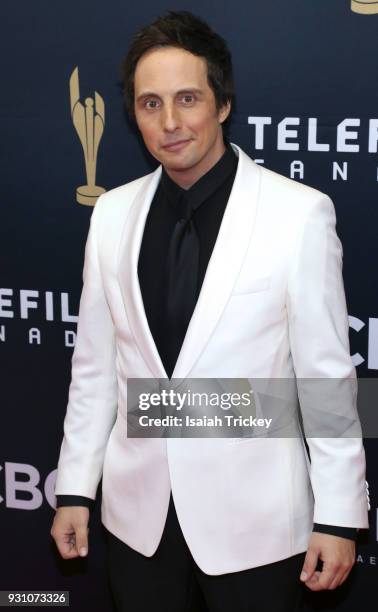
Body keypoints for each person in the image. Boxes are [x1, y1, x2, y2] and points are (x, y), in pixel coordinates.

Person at [51, 10, 370, 612]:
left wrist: (339, 516)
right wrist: (74, 488)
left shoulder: (297, 214)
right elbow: (95, 372)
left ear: (222, 105)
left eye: (187, 98)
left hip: (257, 532)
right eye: (150, 104)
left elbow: (326, 381)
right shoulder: (112, 215)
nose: (169, 123)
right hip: (137, 525)